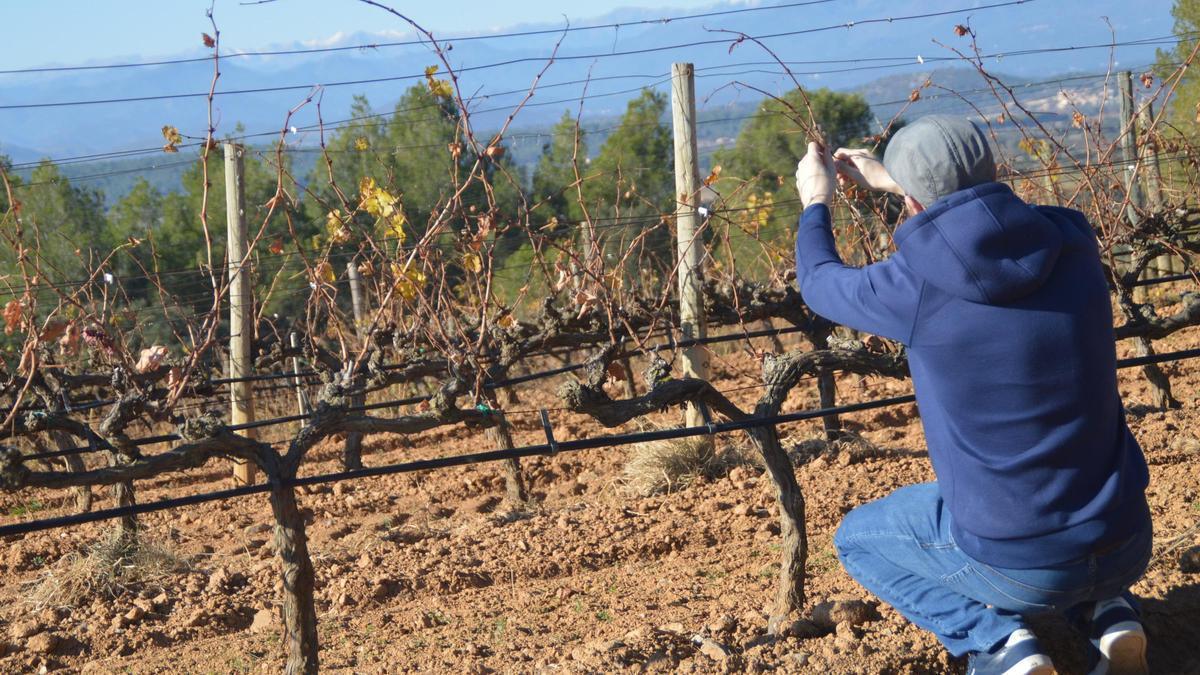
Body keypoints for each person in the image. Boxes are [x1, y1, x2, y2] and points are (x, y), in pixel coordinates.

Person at [792, 115, 1153, 675]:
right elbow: (986, 220)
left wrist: (817, 200)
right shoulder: (1074, 239)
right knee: (1066, 500)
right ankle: (1108, 613)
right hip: (1127, 534)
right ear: (994, 170)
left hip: (1021, 563)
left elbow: (818, 282)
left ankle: (1001, 646)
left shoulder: (912, 288)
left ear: (912, 202)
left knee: (857, 538)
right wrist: (901, 182)